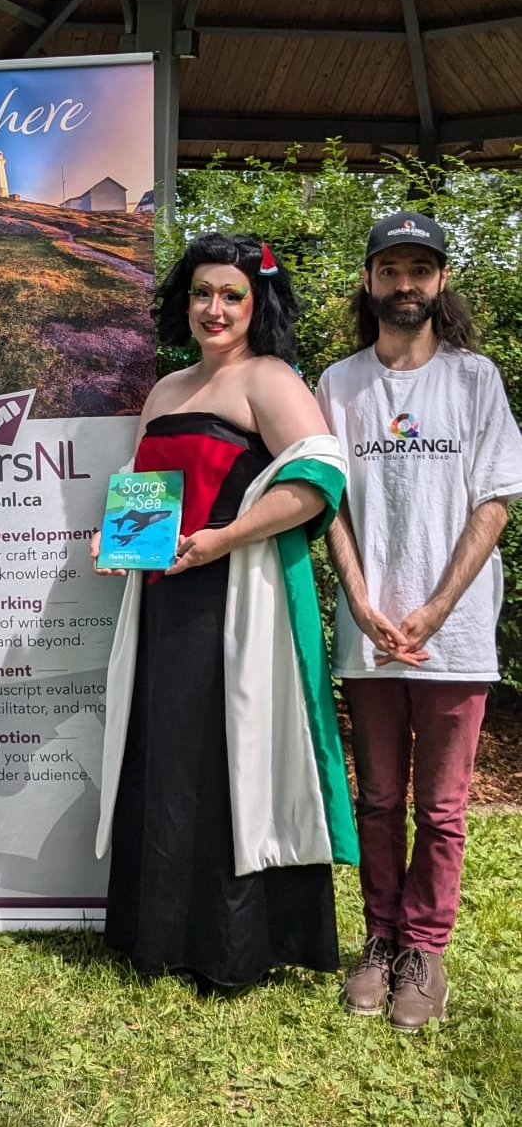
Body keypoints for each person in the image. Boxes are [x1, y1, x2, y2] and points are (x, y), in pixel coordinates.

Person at [92, 233, 358, 990]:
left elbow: (318, 479)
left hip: (242, 602)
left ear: (256, 303)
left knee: (232, 758)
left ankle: (234, 946)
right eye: (202, 293)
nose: (215, 309)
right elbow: (141, 491)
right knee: (165, 758)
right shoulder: (165, 390)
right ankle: (160, 935)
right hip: (161, 601)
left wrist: (226, 538)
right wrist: (113, 540)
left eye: (231, 295)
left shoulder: (270, 380)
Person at [317, 212, 522, 1030]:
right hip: (369, 632)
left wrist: (435, 607)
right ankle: (379, 939)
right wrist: (363, 602)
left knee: (439, 808)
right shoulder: (338, 384)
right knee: (376, 800)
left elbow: (496, 501)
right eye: (392, 268)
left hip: (456, 634)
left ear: (440, 283)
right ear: (369, 281)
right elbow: (325, 500)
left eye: (421, 270)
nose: (407, 284)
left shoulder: (476, 380)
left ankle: (423, 953)